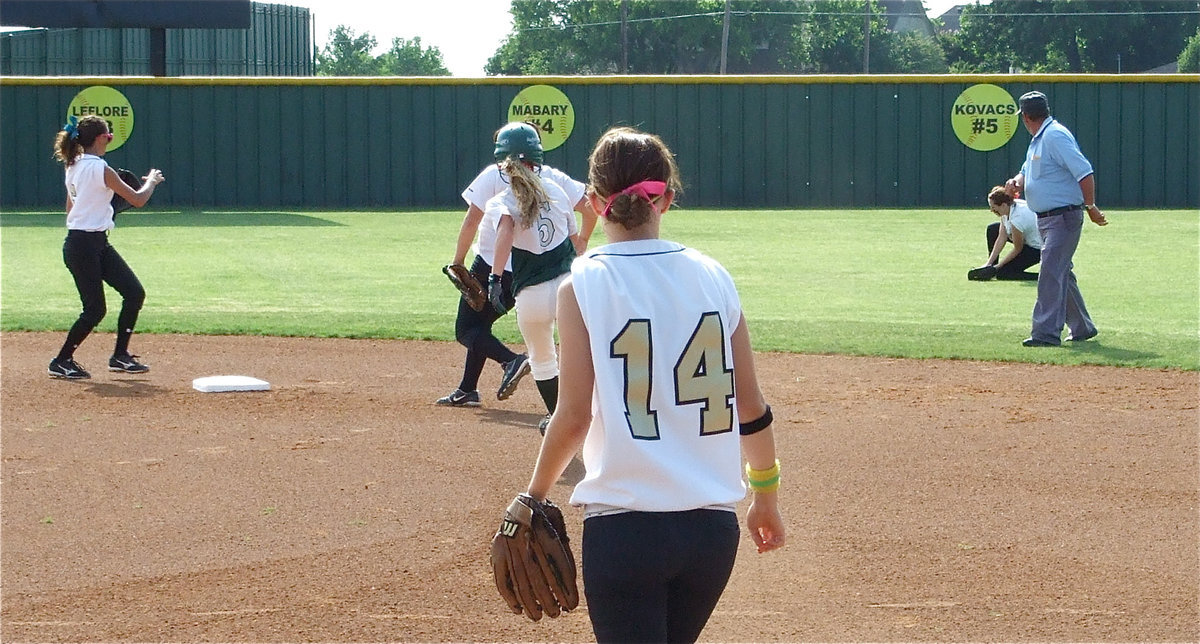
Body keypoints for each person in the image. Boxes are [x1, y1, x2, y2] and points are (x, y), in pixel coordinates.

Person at [519, 126, 786, 643]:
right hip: (710, 534)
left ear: (594, 202)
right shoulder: (714, 276)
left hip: (625, 532)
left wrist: (532, 495)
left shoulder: (582, 284)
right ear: (666, 196)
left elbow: (573, 417)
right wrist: (766, 498)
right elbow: (751, 408)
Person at [436, 122, 596, 408]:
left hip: (495, 267)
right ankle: (468, 389)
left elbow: (476, 221)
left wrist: (460, 262)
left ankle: (512, 361)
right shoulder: (554, 181)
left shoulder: (495, 178)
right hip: (545, 273)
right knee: (481, 326)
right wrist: (581, 242)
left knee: (467, 329)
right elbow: (586, 208)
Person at [47, 115, 165, 379]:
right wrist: (152, 181)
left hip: (92, 242)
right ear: (101, 139)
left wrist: (102, 210)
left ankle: (119, 356)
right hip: (83, 247)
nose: (109, 140)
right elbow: (137, 199)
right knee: (95, 309)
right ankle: (61, 360)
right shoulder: (100, 169)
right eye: (109, 136)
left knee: (134, 293)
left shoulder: (73, 165)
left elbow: (71, 208)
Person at [486, 122, 583, 427]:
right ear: (537, 158)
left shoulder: (502, 200)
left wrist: (495, 279)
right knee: (582, 354)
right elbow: (572, 238)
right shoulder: (555, 189)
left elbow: (504, 234)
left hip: (530, 296)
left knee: (542, 360)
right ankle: (589, 415)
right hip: (569, 289)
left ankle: (557, 420)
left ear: (504, 163)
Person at [1005, 91, 1107, 347]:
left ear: (1026, 117)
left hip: (1064, 216)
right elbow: (1027, 171)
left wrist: (1091, 206)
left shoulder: (1054, 135)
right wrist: (1017, 182)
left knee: (1050, 272)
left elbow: (1084, 172)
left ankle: (1046, 334)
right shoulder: (1040, 138)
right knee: (1060, 272)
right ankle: (1082, 327)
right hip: (1048, 219)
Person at [968, 186, 1042, 281]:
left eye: (994, 208)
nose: (992, 211)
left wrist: (997, 268)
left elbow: (1018, 248)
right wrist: (988, 264)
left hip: (1037, 249)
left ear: (1003, 205)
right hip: (1025, 240)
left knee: (1003, 274)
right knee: (992, 229)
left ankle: (1044, 276)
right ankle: (991, 267)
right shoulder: (1007, 209)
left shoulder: (1017, 219)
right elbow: (1001, 237)